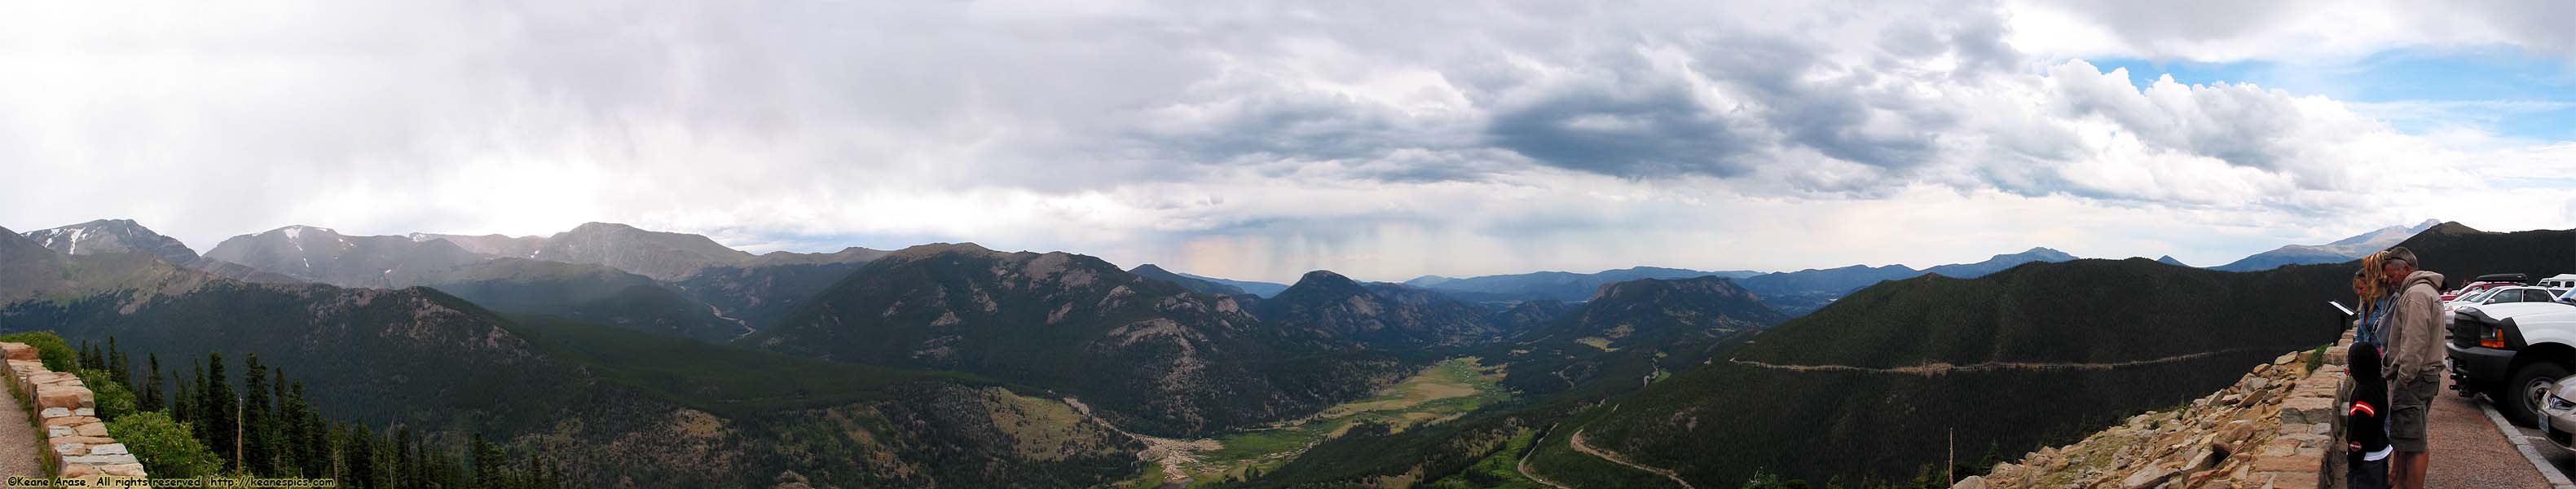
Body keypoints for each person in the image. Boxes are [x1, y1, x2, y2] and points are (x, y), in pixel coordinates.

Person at [2378, 247, 2442, 489]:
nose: (2389, 281)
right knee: (2408, 436)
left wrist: (2404, 377)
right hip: (2423, 377)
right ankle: (2401, 483)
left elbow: (2415, 342)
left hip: (2414, 378)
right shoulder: (2425, 291)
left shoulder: (2415, 296)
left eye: (2392, 275)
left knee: (2414, 443)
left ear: (2406, 269)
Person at [2347, 342, 2393, 488]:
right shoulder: (2378, 385)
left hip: (2366, 458)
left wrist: (2354, 456)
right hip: (2380, 450)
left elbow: (2360, 428)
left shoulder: (2363, 394)